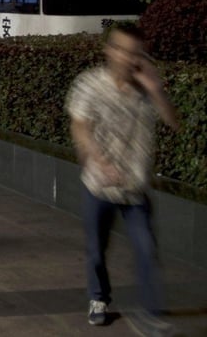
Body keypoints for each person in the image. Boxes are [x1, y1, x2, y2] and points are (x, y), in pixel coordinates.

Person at [65, 24, 180, 333]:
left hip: (135, 189)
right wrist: (97, 159)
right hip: (99, 186)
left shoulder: (146, 88)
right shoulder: (89, 84)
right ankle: (99, 298)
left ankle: (150, 314)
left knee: (146, 249)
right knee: (96, 249)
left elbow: (173, 122)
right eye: (123, 50)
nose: (129, 58)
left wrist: (155, 89)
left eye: (136, 52)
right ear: (109, 50)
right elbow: (80, 126)